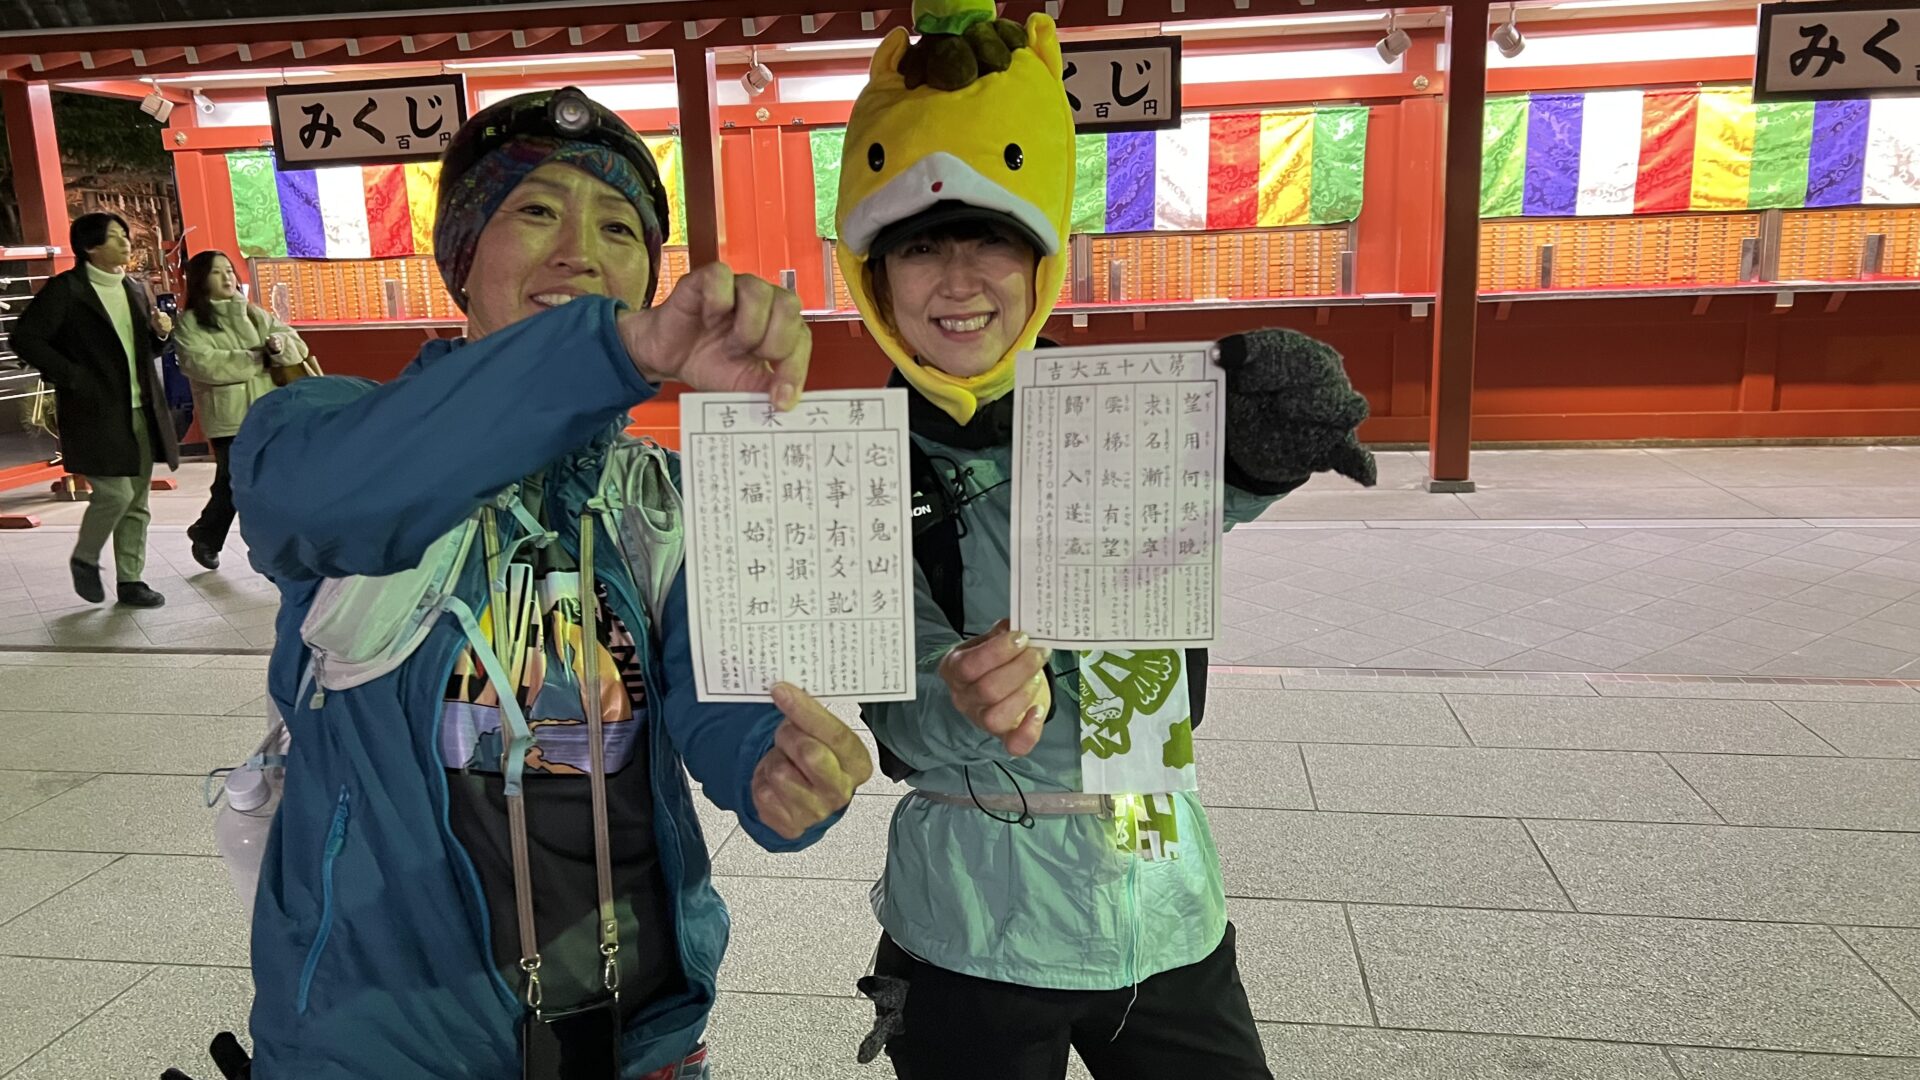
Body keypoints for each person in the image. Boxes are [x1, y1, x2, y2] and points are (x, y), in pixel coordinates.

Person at [227, 87, 872, 1080]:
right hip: (383, 1049)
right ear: (461, 255)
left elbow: (723, 697)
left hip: (637, 1040)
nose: (581, 252)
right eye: (536, 211)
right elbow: (323, 500)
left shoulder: (655, 498)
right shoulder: (325, 430)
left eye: (618, 228)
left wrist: (775, 769)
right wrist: (614, 353)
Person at [835, 5, 1377, 1078]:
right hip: (970, 928)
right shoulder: (854, 461)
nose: (958, 279)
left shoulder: (1116, 419)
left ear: (1041, 258)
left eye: (993, 238)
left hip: (1162, 898)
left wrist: (1256, 453)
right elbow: (899, 716)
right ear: (874, 275)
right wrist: (958, 692)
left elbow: (1193, 508)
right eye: (921, 247)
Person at [12, 211, 181, 608]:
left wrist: (161, 336)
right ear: (90, 247)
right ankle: (86, 557)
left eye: (125, 235)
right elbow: (25, 338)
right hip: (95, 411)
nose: (125, 243)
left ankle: (131, 580)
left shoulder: (134, 288)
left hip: (141, 409)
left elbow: (144, 350)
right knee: (115, 494)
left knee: (137, 500)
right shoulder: (67, 290)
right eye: (115, 236)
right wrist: (72, 375)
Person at [172, 250, 310, 571]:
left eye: (229, 270)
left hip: (270, 412)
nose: (227, 277)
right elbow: (202, 363)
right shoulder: (191, 323)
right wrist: (254, 357)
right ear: (200, 280)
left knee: (273, 478)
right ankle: (210, 535)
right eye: (216, 272)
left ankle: (256, 541)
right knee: (233, 481)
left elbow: (297, 345)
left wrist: (279, 346)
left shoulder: (253, 313)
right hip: (229, 419)